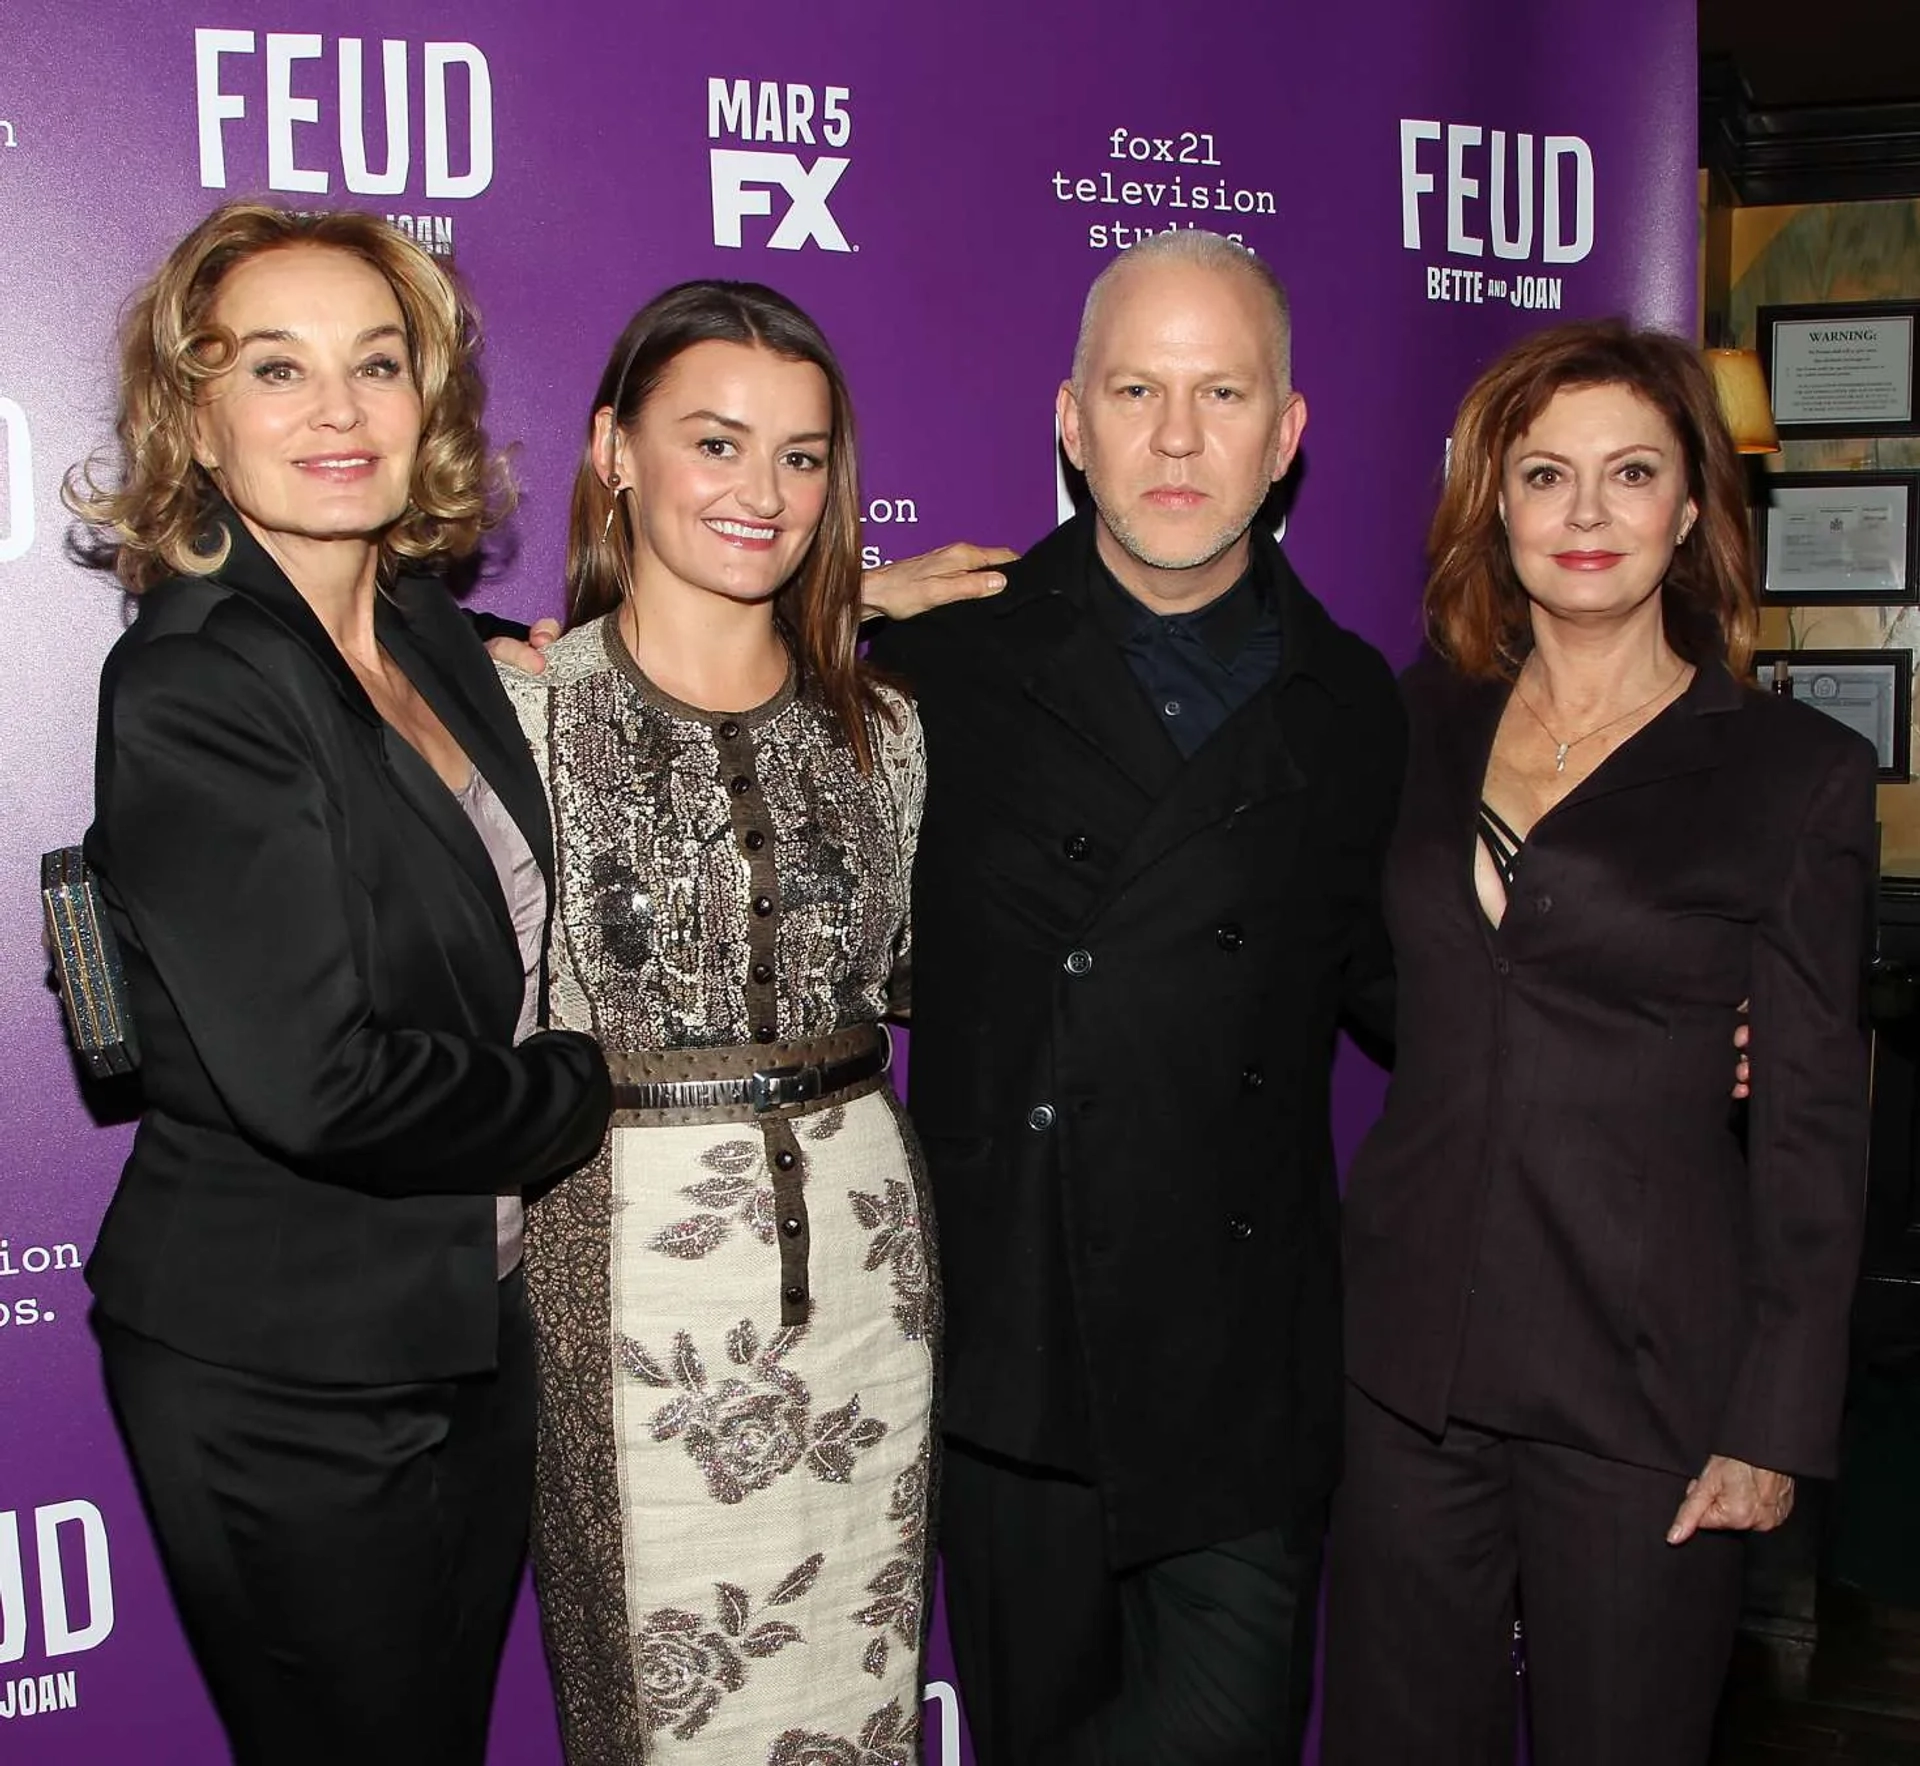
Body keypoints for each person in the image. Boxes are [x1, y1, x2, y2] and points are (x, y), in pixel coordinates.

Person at [70, 203, 612, 1766]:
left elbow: (635, 660)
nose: (337, 409)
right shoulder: (192, 681)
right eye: (277, 368)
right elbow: (322, 1080)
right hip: (282, 1372)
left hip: (463, 1323)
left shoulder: (436, 643)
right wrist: (582, 1084)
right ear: (197, 415)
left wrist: (856, 602)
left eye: (377, 363)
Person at [866, 229, 1404, 1762]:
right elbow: (681, 739)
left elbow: (1414, 989)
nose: (1178, 438)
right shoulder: (936, 663)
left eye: (1223, 391)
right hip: (1020, 1347)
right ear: (1071, 420)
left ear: (1286, 432)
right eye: (1137, 389)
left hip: (1245, 1368)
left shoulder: (1354, 700)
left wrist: (1666, 1025)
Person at [1322, 321, 1875, 1765]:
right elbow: (1391, 980)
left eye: (1630, 475)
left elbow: (1817, 1127)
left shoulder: (1792, 775)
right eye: (1547, 475)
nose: (1585, 515)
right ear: (1494, 503)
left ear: (1690, 507)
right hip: (1409, 1365)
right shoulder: (1416, 718)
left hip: (1648, 1386)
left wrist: (1774, 1422)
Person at [496, 281, 936, 1763]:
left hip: (869, 1272)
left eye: (803, 456)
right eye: (718, 442)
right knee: (662, 1692)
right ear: (617, 449)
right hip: (626, 1263)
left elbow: (904, 972)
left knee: (859, 1674)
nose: (765, 492)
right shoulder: (523, 710)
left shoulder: (887, 729)